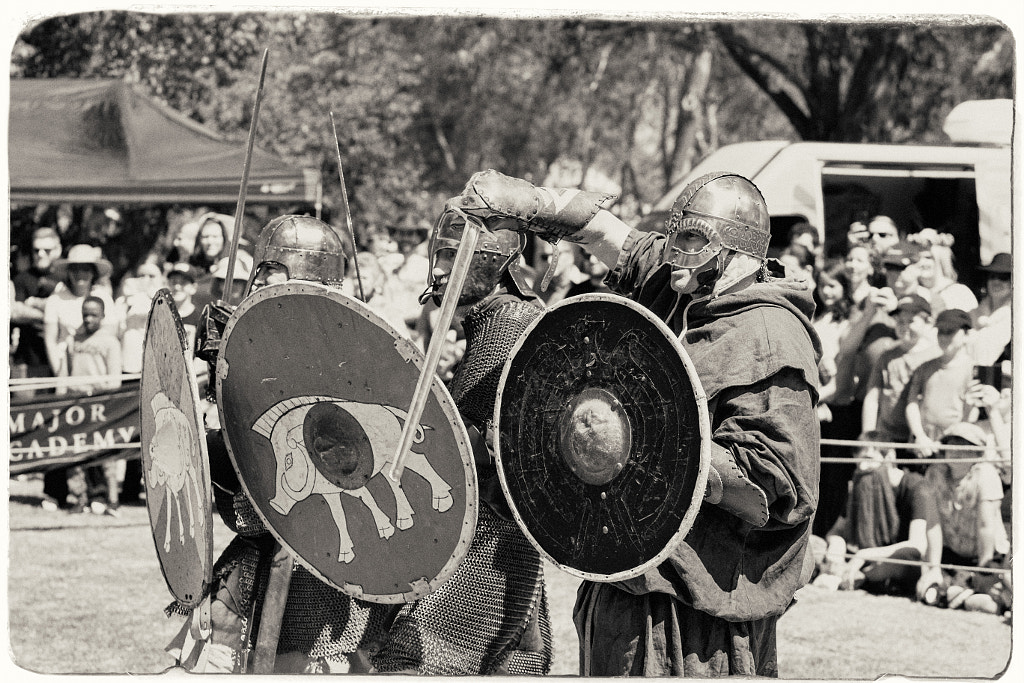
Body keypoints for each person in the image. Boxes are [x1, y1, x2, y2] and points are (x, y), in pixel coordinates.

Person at [439, 169, 820, 677]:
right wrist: (535, 202)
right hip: (623, 574)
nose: (672, 252)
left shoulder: (770, 337)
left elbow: (779, 487)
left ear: (734, 250)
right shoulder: (677, 285)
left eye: (690, 238)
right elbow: (606, 234)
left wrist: (653, 444)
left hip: (699, 605)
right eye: (673, 234)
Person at [168, 215, 393, 674]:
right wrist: (225, 375)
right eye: (261, 270)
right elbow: (242, 468)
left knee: (307, 665)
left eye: (274, 270)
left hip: (324, 564)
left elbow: (299, 468)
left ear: (306, 277)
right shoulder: (253, 338)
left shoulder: (348, 354)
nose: (260, 280)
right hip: (255, 558)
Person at [371, 201, 553, 676]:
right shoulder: (489, 320)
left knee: (412, 661)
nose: (445, 269)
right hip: (486, 536)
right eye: (444, 256)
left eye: (458, 258)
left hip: (490, 539)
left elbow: (500, 447)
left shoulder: (509, 323)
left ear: (496, 264)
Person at [816, 433, 943, 600]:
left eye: (868, 458)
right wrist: (837, 547)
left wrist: (865, 555)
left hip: (900, 562)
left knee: (890, 566)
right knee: (814, 545)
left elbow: (917, 546)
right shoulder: (862, 483)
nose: (862, 467)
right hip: (862, 558)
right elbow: (836, 531)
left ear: (890, 456)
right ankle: (843, 575)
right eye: (858, 460)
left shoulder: (917, 487)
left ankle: (850, 577)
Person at [924, 423, 1010, 596]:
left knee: (991, 592)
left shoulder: (986, 473)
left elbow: (986, 526)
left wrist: (983, 570)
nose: (957, 451)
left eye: (965, 446)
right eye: (952, 444)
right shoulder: (935, 473)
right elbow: (933, 524)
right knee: (928, 592)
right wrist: (933, 568)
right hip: (952, 555)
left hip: (988, 557)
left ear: (977, 452)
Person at [66, 295, 124, 516]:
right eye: (85, 315)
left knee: (106, 453)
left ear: (103, 316)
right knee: (76, 452)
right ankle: (79, 498)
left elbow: (115, 379)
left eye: (93, 315)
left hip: (101, 403)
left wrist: (95, 387)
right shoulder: (76, 339)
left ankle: (112, 499)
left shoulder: (110, 342)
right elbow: (68, 371)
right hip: (76, 405)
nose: (88, 319)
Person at [860, 294, 939, 444]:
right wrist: (868, 436)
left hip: (920, 439)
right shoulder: (887, 357)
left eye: (911, 321)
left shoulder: (934, 356)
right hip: (888, 435)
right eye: (900, 321)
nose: (904, 326)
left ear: (928, 322)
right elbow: (873, 397)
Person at [905, 309, 976, 459]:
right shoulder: (924, 368)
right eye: (940, 332)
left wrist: (948, 441)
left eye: (950, 332)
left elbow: (972, 414)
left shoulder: (974, 371)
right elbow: (912, 403)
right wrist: (920, 437)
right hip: (921, 447)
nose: (944, 337)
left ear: (966, 335)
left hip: (954, 448)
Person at [10, 226, 63, 394]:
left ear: (58, 249)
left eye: (46, 250)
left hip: (64, 362)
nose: (40, 254)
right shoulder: (21, 278)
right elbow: (15, 312)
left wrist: (34, 307)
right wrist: (53, 316)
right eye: (36, 250)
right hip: (27, 362)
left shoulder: (69, 277)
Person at [116, 262, 165, 374]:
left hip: (155, 366)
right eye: (141, 276)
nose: (145, 280)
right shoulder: (123, 301)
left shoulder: (165, 301)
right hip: (128, 363)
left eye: (151, 276)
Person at [968, 252, 1011, 366]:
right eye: (992, 277)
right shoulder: (974, 313)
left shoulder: (1016, 317)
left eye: (1003, 278)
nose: (996, 282)